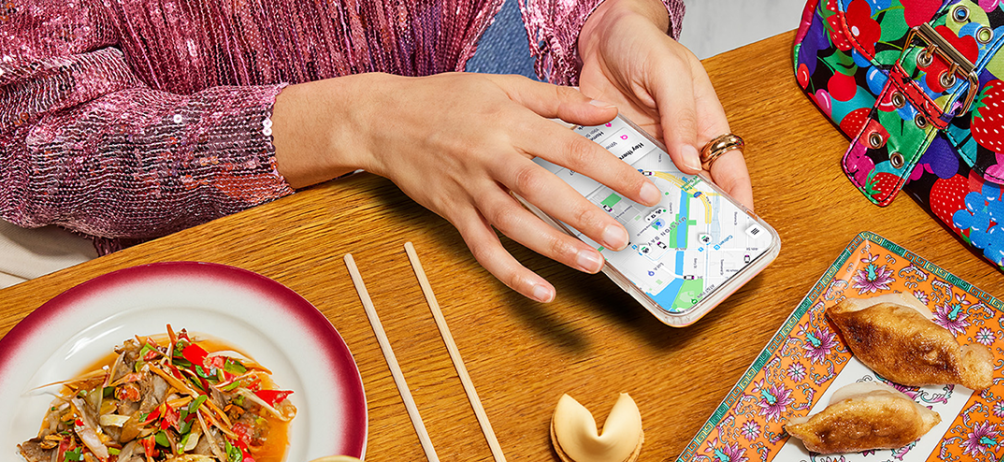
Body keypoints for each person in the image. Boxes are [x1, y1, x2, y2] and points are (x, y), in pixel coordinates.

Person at [0, 0, 751, 301]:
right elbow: (34, 141)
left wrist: (618, 17)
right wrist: (364, 119)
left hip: (556, 161)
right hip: (277, 254)